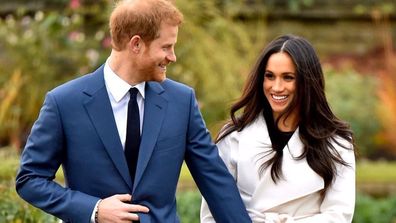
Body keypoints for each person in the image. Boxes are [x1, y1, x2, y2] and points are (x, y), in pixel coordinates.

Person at [15, 0, 251, 222]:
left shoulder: (182, 101)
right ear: (136, 44)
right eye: (166, 47)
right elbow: (30, 179)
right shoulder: (64, 102)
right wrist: (94, 210)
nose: (173, 57)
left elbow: (216, 181)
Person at [200, 34, 356, 223]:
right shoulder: (234, 137)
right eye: (269, 76)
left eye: (288, 77)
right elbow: (212, 213)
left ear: (307, 82)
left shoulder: (336, 143)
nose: (277, 87)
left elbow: (339, 216)